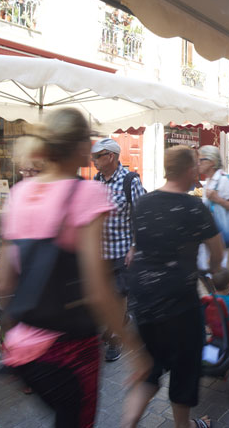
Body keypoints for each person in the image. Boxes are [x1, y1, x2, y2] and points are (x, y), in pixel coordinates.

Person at [0, 108, 150, 428]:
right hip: (68, 349)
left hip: (22, 350)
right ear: (81, 147)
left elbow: (3, 282)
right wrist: (134, 348)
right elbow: (97, 290)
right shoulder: (86, 192)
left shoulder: (20, 192)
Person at [124, 146, 225, 428]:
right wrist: (214, 269)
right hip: (180, 304)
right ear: (189, 170)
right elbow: (217, 251)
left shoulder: (143, 203)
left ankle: (127, 423)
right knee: (184, 369)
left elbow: (138, 245)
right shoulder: (193, 207)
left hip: (143, 301)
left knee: (149, 370)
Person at [91, 137, 146, 363]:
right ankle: (118, 322)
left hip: (122, 249)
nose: (93, 160)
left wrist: (135, 246)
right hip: (99, 250)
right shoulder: (95, 180)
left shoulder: (129, 180)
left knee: (119, 293)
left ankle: (114, 338)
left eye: (97, 156)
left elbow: (142, 215)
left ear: (110, 157)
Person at [198, 145, 229, 271]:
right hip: (212, 236)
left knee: (221, 274)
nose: (198, 163)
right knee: (207, 271)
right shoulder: (209, 181)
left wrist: (218, 199)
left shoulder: (223, 181)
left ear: (212, 162)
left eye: (202, 160)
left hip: (224, 235)